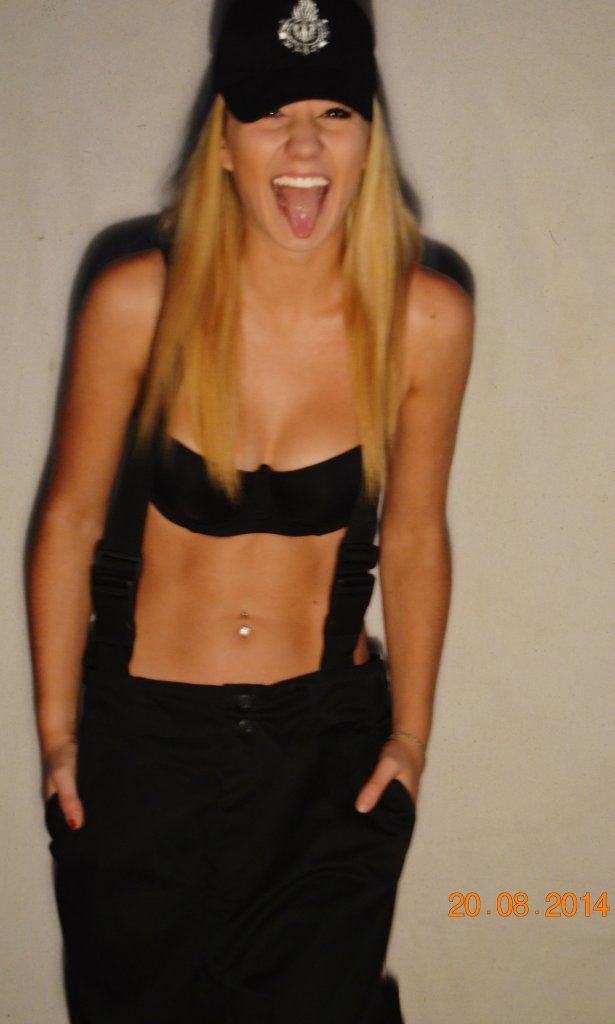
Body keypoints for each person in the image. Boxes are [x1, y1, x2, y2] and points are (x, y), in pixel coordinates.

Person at [28, 1, 473, 1021]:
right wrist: (58, 736)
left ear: (369, 141)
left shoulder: (424, 319)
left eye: (334, 114)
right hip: (145, 747)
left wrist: (410, 738)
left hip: (324, 751)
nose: (304, 145)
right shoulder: (139, 301)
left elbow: (413, 535)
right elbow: (69, 522)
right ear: (222, 143)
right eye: (271, 114)